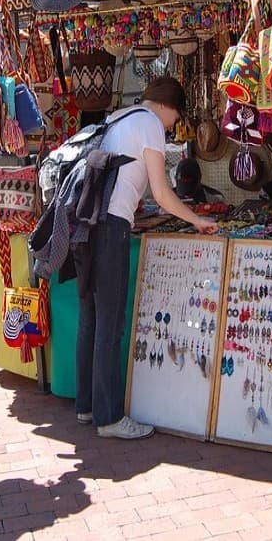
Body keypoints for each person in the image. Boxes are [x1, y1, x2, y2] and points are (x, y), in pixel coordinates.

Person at [72, 77, 218, 440]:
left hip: (85, 223)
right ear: (169, 106)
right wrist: (197, 219)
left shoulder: (122, 116)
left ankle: (86, 407)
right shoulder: (150, 124)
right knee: (111, 322)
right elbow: (163, 193)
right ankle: (108, 418)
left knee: (90, 318)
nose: (172, 127)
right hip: (109, 227)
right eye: (176, 118)